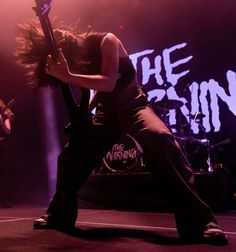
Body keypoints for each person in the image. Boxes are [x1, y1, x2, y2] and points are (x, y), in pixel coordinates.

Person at [16, 23, 228, 245]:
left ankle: (201, 222)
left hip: (133, 105)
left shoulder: (107, 40)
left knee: (159, 137)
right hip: (107, 113)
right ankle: (59, 215)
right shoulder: (77, 62)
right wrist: (85, 112)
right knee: (71, 155)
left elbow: (107, 82)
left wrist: (68, 76)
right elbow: (97, 90)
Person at [0, 98, 14, 207]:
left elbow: (8, 131)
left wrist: (2, 122)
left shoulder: (4, 117)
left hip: (2, 145)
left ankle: (4, 200)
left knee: (3, 173)